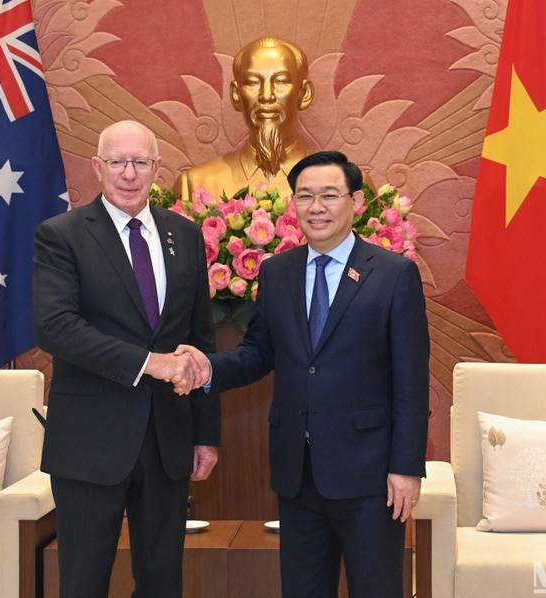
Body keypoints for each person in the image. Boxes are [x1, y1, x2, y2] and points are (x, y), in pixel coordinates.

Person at [178, 150, 429, 597]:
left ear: (355, 201)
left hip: (371, 475)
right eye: (305, 196)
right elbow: (258, 352)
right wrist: (205, 369)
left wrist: (406, 468)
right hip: (299, 471)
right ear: (293, 204)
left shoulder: (393, 275)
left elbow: (411, 380)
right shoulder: (277, 272)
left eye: (329, 195)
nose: (317, 207)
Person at [33, 120, 221, 598]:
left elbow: (201, 340)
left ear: (157, 168)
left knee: (162, 581)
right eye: (118, 162)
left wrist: (206, 433)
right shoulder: (62, 235)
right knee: (83, 581)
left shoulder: (186, 235)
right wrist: (150, 362)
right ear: (98, 167)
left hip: (167, 438)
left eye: (140, 162)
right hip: (89, 442)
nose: (129, 173)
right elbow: (57, 328)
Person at [174, 36, 315, 200]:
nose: (266, 96)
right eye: (253, 82)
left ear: (304, 94)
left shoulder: (341, 184)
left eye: (281, 81)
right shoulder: (194, 184)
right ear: (236, 94)